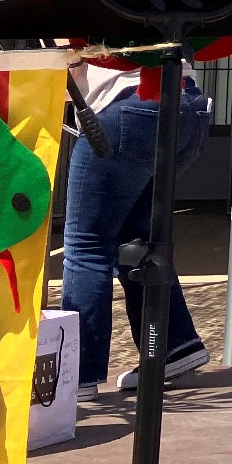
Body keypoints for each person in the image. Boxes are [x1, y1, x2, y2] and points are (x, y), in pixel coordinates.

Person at [62, 60, 212, 394]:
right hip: (188, 105)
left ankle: (77, 376)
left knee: (87, 246)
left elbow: (69, 62)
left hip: (127, 106)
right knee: (136, 240)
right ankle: (174, 346)